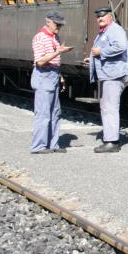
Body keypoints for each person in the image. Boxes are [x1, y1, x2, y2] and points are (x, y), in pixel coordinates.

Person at [88, 6, 128, 153]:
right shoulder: (105, 31)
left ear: (110, 17)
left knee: (110, 108)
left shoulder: (115, 30)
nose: (100, 18)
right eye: (98, 16)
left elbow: (120, 47)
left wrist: (101, 51)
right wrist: (92, 59)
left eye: (103, 16)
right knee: (106, 107)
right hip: (108, 74)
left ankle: (112, 142)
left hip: (114, 74)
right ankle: (110, 139)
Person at [31, 10, 73, 154]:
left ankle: (53, 144)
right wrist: (59, 52)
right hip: (43, 76)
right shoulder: (39, 38)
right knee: (43, 114)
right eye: (57, 24)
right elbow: (40, 62)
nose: (59, 27)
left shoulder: (55, 37)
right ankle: (38, 146)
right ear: (48, 22)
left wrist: (60, 76)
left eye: (60, 25)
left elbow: (55, 60)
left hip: (53, 76)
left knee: (55, 112)